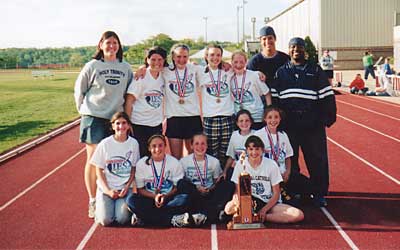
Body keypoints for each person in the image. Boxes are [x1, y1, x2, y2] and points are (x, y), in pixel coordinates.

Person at [74, 31, 134, 218]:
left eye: (115, 43)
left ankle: (111, 193)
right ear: (100, 45)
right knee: (94, 162)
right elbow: (79, 90)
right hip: (94, 117)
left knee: (116, 158)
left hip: (116, 120)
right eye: (108, 42)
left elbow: (130, 91)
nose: (111, 46)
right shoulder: (92, 65)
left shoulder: (125, 67)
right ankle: (93, 199)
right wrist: (83, 111)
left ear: (119, 46)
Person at [274, 37, 337, 207]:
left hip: (312, 125)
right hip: (290, 126)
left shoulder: (315, 71)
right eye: (293, 47)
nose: (296, 50)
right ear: (289, 50)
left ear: (305, 51)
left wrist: (326, 119)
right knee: (290, 161)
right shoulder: (281, 72)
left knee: (317, 160)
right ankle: (295, 192)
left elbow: (327, 96)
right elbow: (275, 100)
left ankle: (319, 193)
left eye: (299, 48)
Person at [224, 136, 304, 223]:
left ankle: (259, 217)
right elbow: (238, 189)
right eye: (251, 149)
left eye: (257, 149)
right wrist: (239, 201)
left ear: (262, 150)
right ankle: (249, 215)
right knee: (228, 209)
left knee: (298, 215)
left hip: (268, 202)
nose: (254, 152)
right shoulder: (241, 164)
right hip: (249, 200)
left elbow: (276, 193)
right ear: (246, 150)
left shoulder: (271, 165)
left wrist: (264, 210)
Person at [127, 134, 191, 227]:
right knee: (131, 200)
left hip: (169, 199)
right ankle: (172, 219)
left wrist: (165, 196)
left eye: (160, 145)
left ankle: (145, 218)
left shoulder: (174, 163)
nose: (157, 149)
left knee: (185, 199)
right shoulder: (142, 163)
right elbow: (140, 190)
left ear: (165, 146)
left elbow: (177, 187)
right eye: (154, 146)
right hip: (150, 199)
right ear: (149, 148)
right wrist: (154, 196)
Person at [90, 112, 140, 226]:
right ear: (112, 126)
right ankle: (100, 205)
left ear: (128, 125)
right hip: (107, 188)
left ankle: (123, 206)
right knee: (105, 221)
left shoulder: (133, 143)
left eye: (124, 123)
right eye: (117, 123)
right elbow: (98, 170)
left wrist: (127, 187)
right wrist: (108, 190)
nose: (121, 127)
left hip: (125, 189)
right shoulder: (105, 144)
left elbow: (133, 168)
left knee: (122, 219)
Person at [179, 133, 235, 225]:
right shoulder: (183, 162)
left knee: (228, 184)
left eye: (203, 143)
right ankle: (213, 215)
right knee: (181, 184)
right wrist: (197, 188)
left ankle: (203, 214)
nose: (200, 147)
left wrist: (210, 188)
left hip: (210, 194)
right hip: (195, 194)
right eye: (196, 144)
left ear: (207, 145)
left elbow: (216, 182)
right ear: (191, 146)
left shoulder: (214, 162)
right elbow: (183, 183)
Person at [124, 46, 168, 157]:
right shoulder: (141, 77)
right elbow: (129, 101)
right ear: (147, 60)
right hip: (139, 124)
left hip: (156, 124)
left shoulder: (164, 75)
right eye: (153, 59)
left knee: (155, 156)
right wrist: (128, 123)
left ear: (164, 61)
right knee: (141, 157)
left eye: (160, 60)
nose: (156, 63)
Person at [163, 44, 203, 159]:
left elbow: (213, 68)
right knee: (176, 157)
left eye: (185, 57)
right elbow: (151, 68)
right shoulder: (165, 71)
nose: (181, 60)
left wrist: (225, 64)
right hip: (174, 118)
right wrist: (142, 69)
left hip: (192, 117)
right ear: (173, 57)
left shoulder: (194, 69)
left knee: (193, 156)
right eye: (178, 56)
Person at [199, 44, 234, 165]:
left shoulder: (228, 71)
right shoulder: (200, 72)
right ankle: (212, 179)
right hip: (210, 118)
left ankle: (224, 179)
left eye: (218, 55)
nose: (215, 58)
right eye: (212, 55)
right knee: (210, 153)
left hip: (227, 116)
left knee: (226, 153)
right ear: (206, 56)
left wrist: (258, 73)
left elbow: (242, 68)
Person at [247, 26, 290, 104]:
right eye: (264, 39)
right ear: (260, 41)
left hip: (282, 100)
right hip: (261, 102)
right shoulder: (254, 62)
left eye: (270, 38)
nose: (267, 41)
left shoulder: (285, 59)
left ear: (275, 39)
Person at [230, 51, 271, 130]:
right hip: (240, 119)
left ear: (246, 62)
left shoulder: (254, 75)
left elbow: (267, 93)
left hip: (256, 117)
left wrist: (268, 111)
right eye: (235, 62)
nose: (238, 65)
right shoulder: (229, 77)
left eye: (242, 62)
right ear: (231, 62)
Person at [223, 109, 255, 180]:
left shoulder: (256, 134)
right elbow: (231, 157)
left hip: (252, 169)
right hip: (238, 169)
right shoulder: (234, 135)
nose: (244, 123)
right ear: (237, 123)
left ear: (251, 122)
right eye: (241, 121)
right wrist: (225, 171)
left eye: (247, 120)